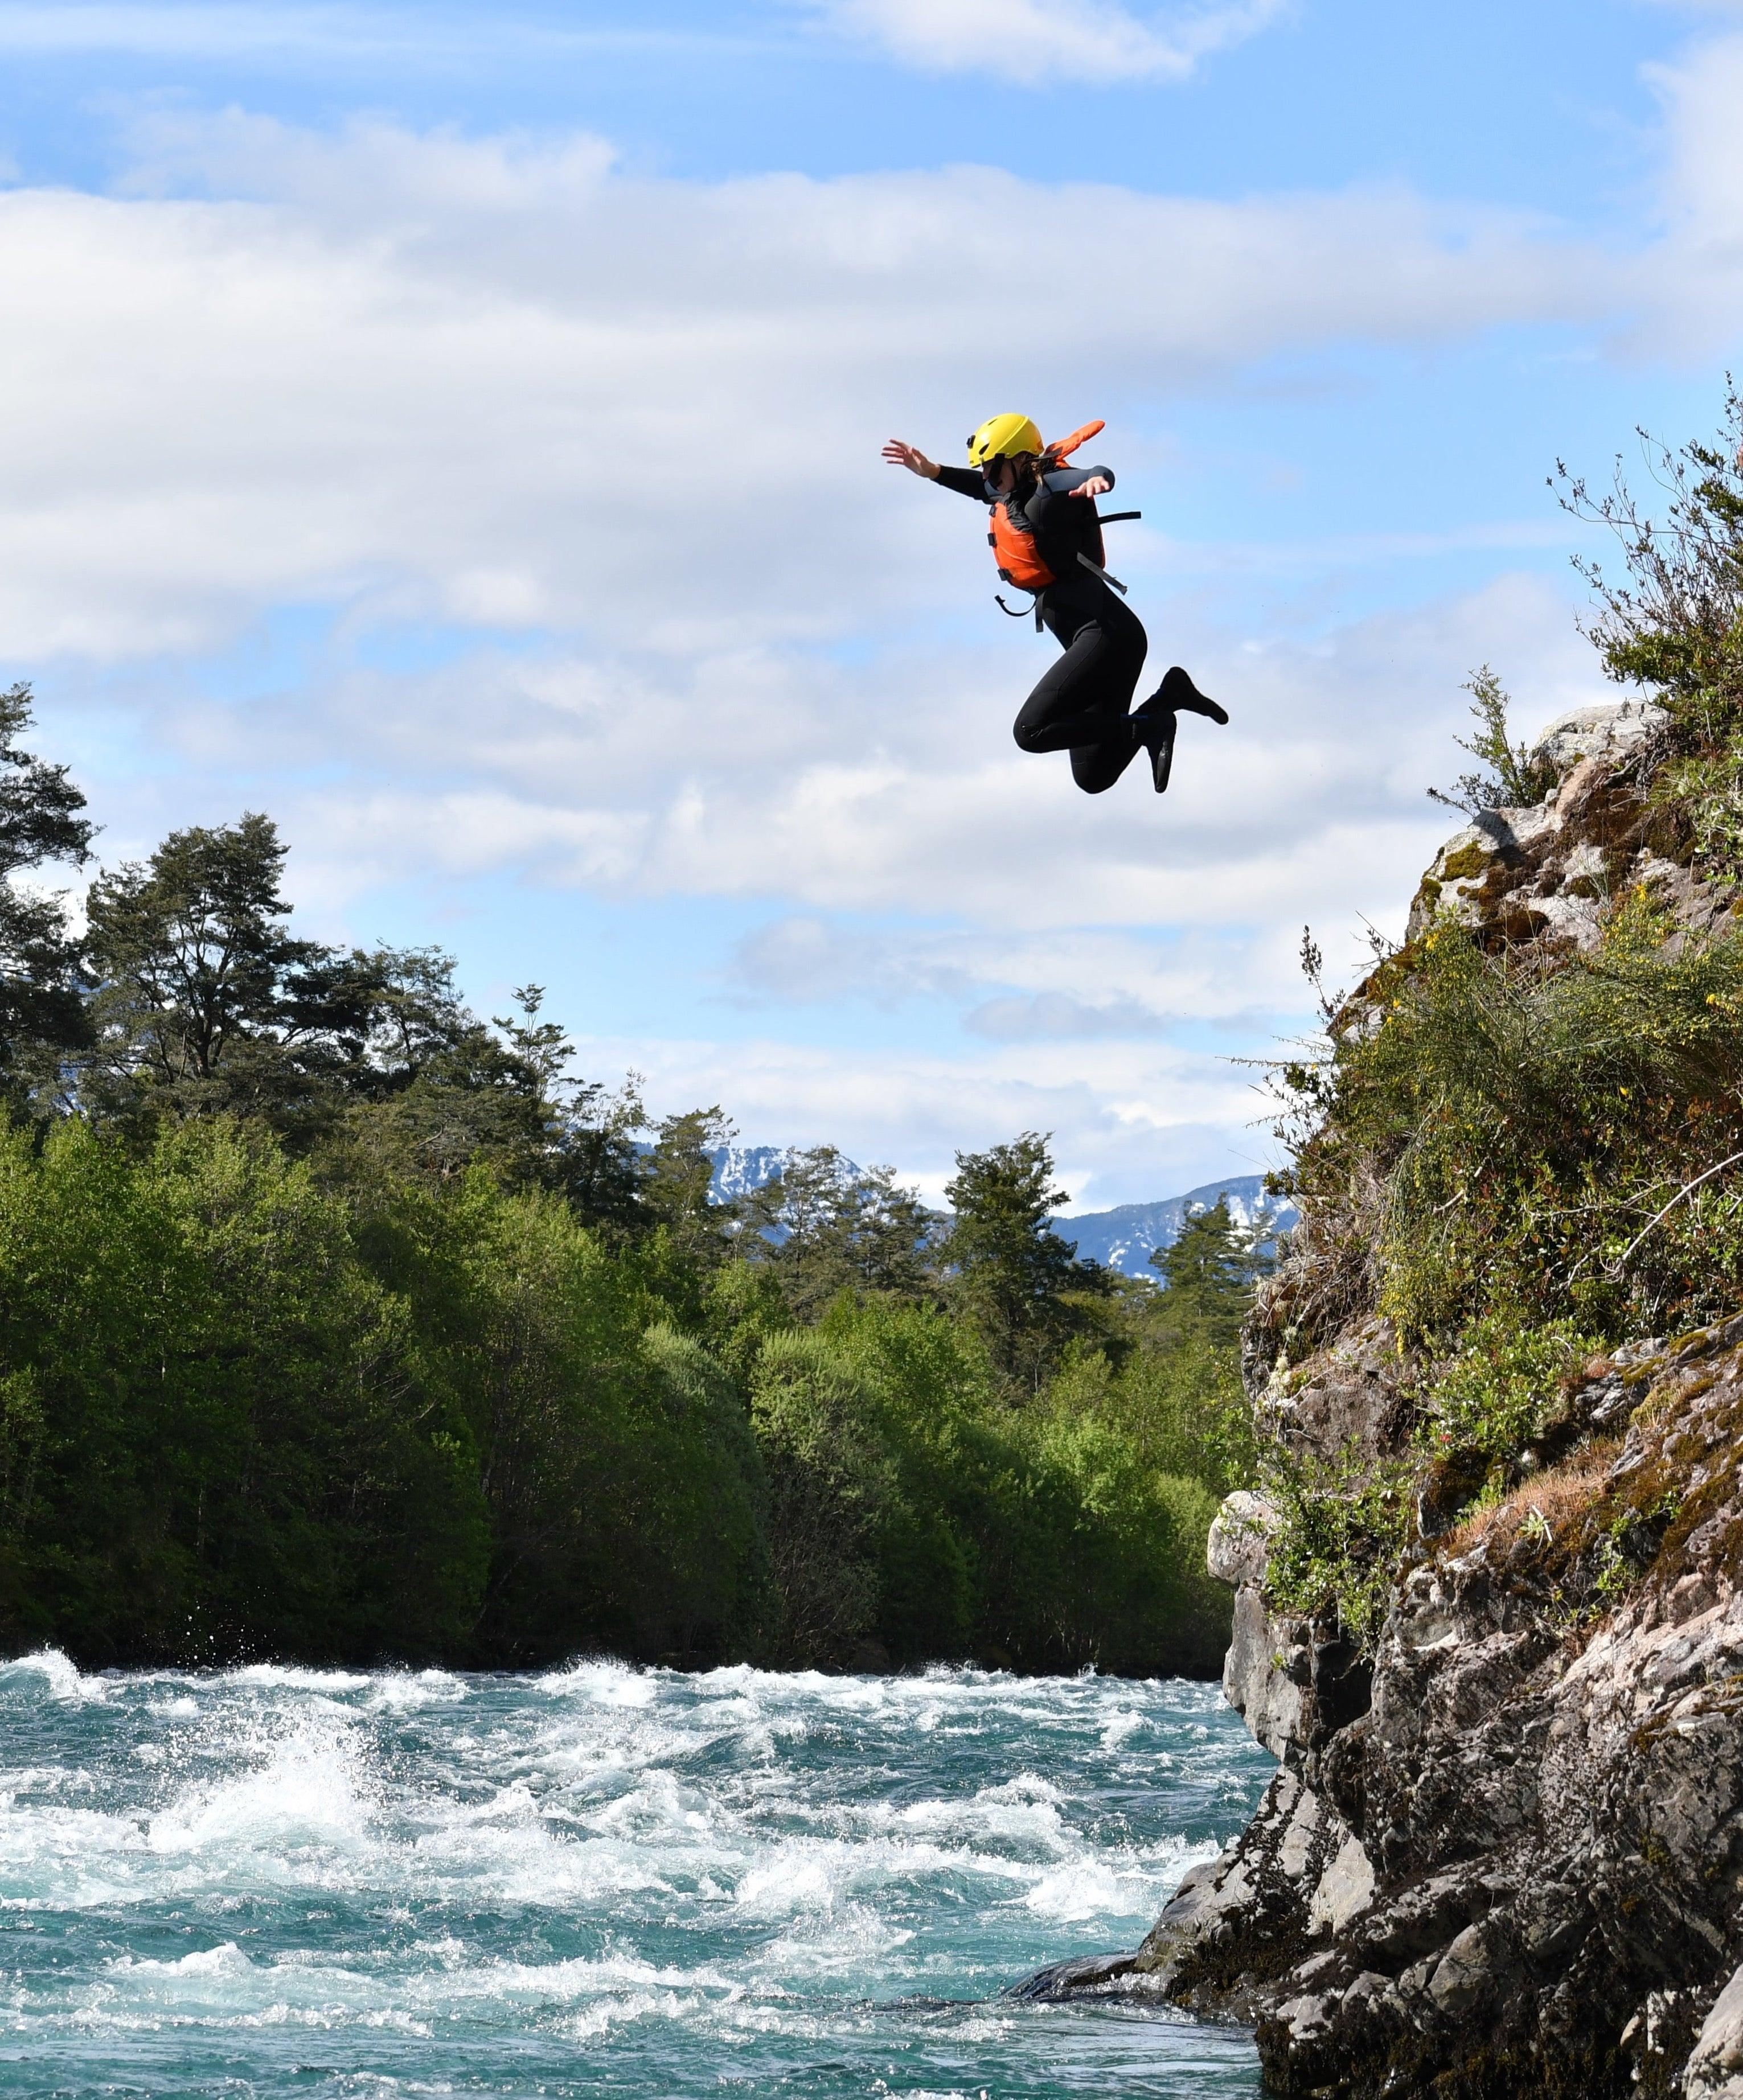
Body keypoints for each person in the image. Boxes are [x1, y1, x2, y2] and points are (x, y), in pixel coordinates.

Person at [882, 414, 1226, 794]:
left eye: (992, 466)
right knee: (1093, 776)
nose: (987, 476)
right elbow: (980, 489)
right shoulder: (1009, 493)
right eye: (983, 468)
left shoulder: (1051, 489)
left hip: (1109, 636)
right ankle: (1168, 697)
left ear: (1019, 459)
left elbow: (1094, 473)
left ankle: (1151, 726)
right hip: (1104, 644)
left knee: (1029, 731)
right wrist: (932, 471)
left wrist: (1097, 481)